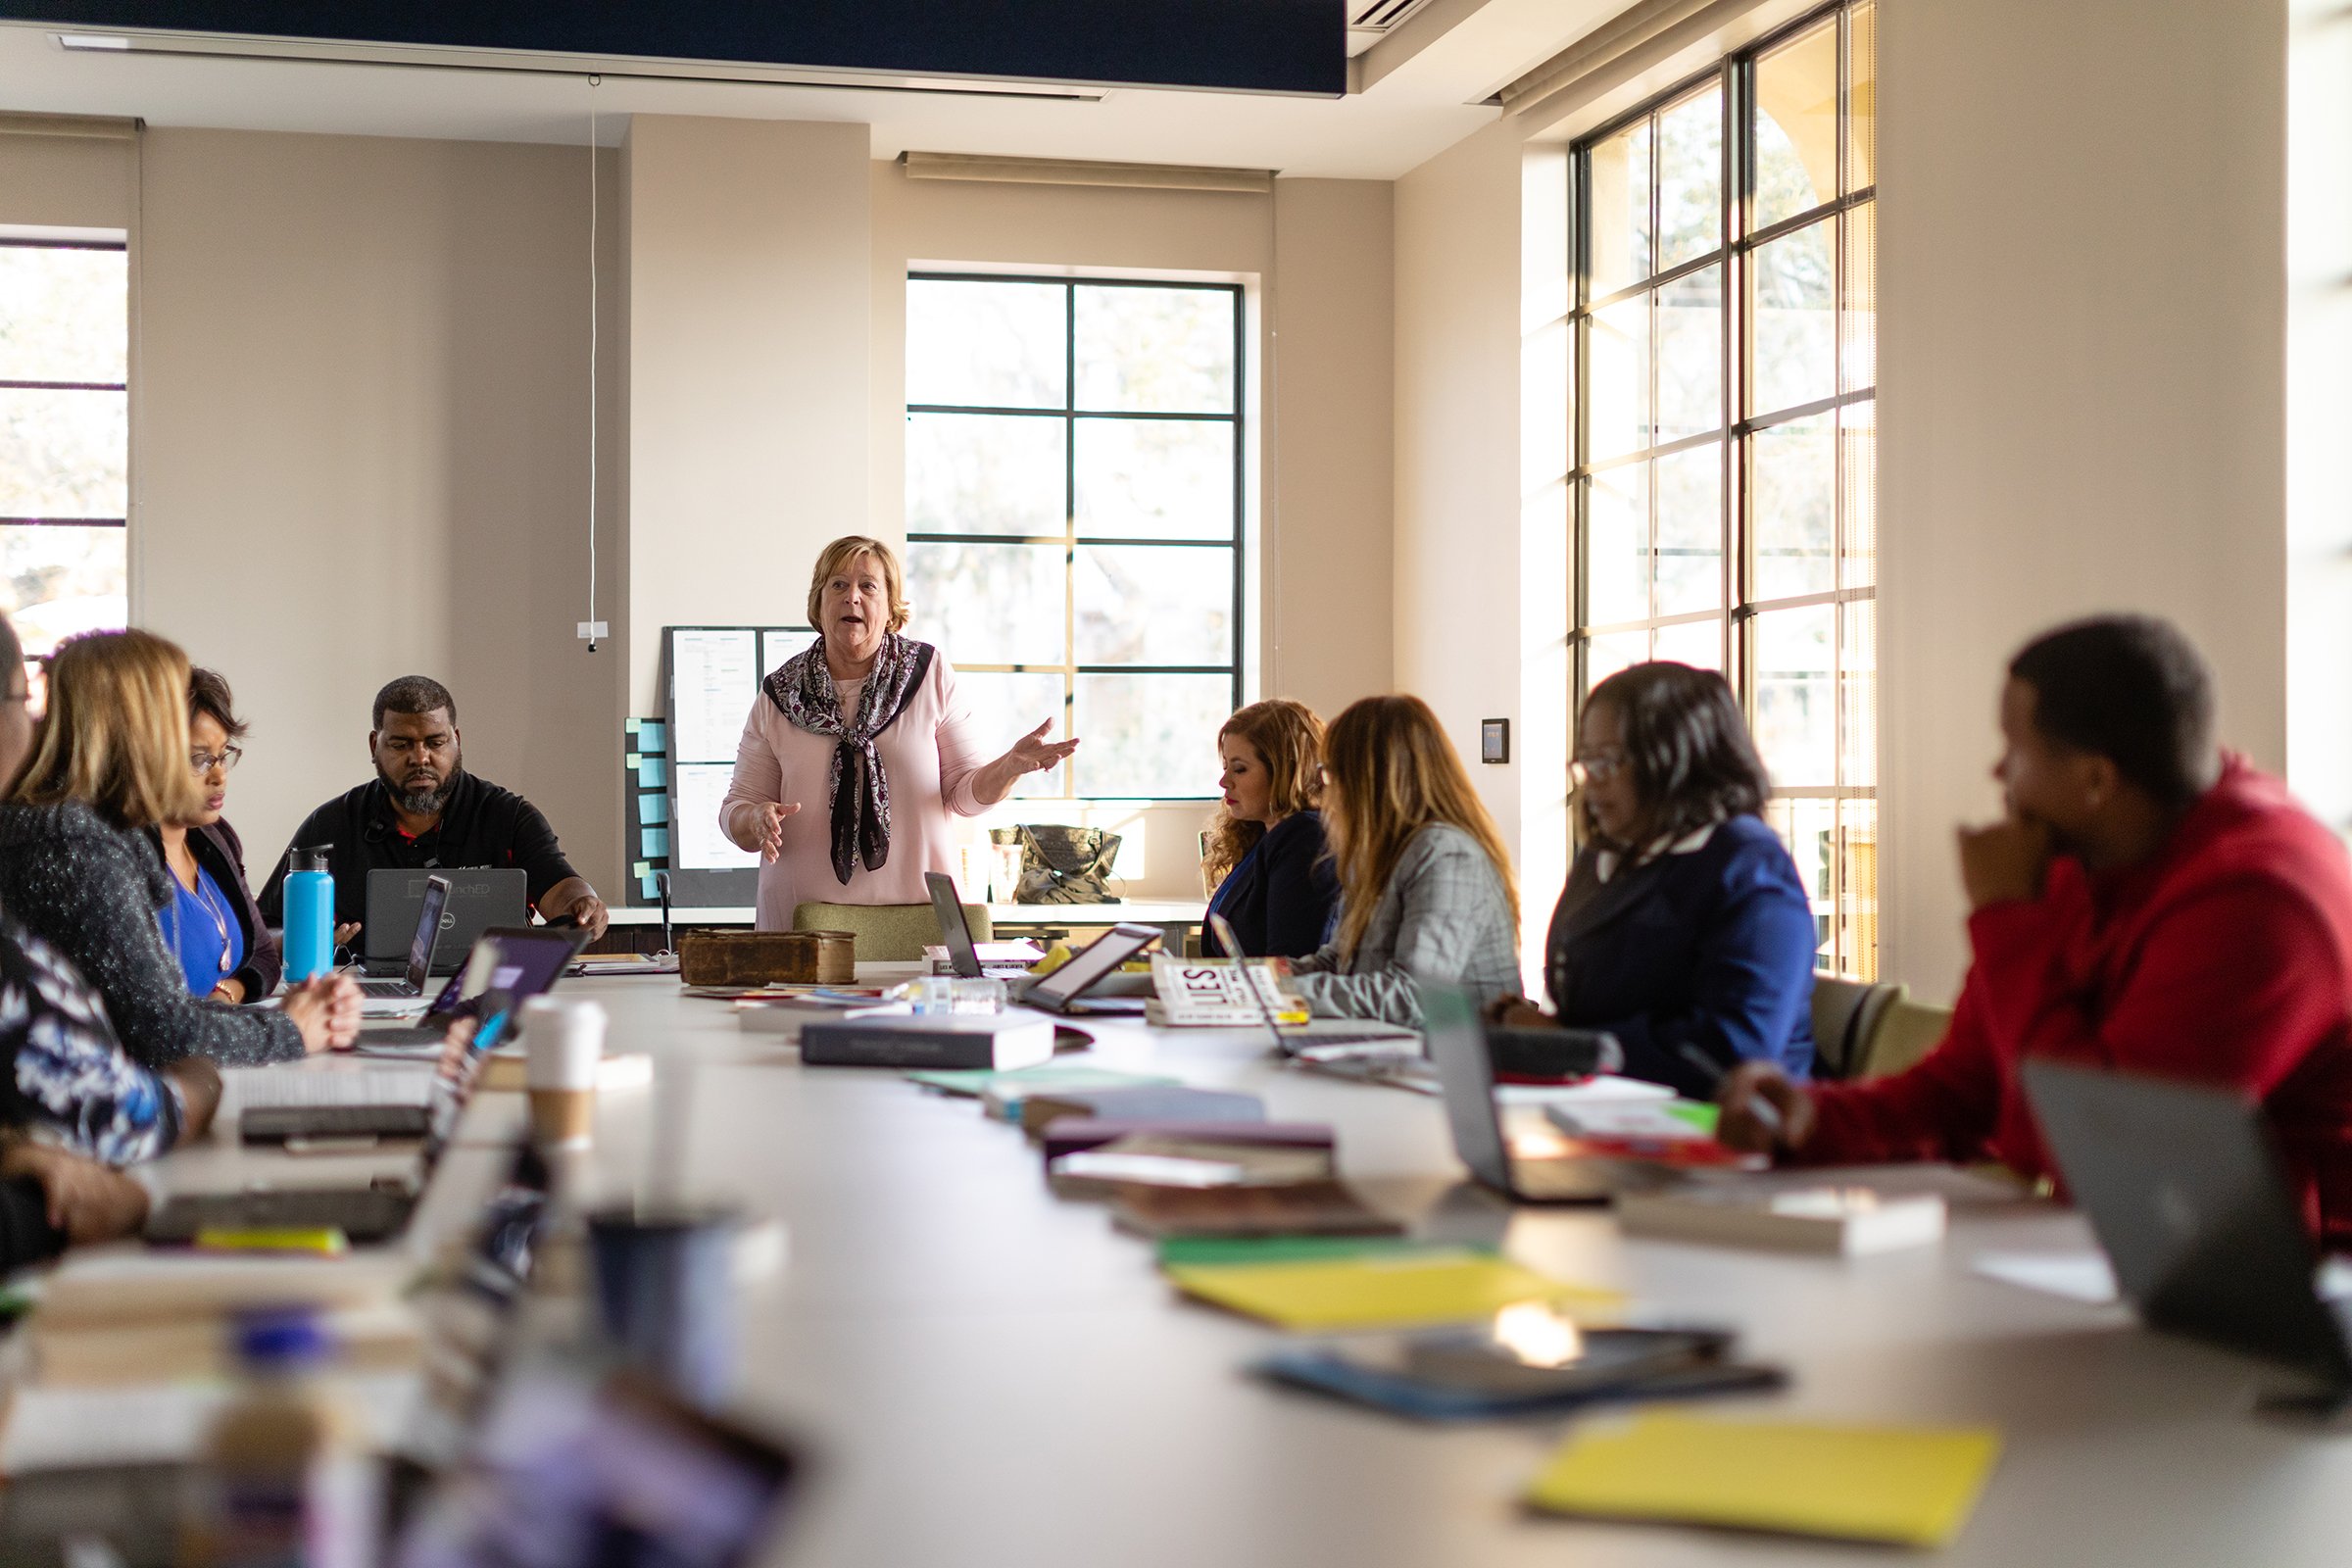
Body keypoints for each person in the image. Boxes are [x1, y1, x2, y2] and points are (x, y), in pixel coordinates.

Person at [1716, 615, 2352, 1247]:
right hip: (2162, 1259)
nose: (1998, 774)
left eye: (2014, 750)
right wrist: (1811, 1120)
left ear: (2095, 780)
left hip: (2305, 1296)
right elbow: (1967, 1090)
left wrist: (2005, 921)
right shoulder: (2084, 858)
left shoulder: (2262, 900)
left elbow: (2108, 1154)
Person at [0, 630, 358, 1066]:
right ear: (135, 729)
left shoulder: (87, 829)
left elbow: (157, 1014)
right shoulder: (73, 840)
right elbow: (163, 1033)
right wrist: (293, 1028)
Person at [0, 611, 224, 1266]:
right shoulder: (72, 841)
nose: (39, 722)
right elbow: (130, 1113)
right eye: (27, 699)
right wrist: (201, 1086)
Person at [720, 535, 1081, 931]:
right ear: (818, 603)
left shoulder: (930, 675)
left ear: (890, 607)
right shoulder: (779, 694)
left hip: (916, 926)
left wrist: (1008, 767)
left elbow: (964, 795)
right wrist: (753, 819)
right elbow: (735, 810)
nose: (851, 597)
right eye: (837, 585)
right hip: (801, 927)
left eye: (868, 586)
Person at [1494, 663, 1815, 1097]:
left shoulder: (1748, 869)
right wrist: (1534, 1029)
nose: (1591, 782)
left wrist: (1564, 1043)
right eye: (1586, 761)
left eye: (1607, 761)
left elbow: (1734, 1050)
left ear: (1678, 760)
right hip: (1614, 1108)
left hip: (1730, 1129)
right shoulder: (1608, 856)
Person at [260, 676, 609, 948]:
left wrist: (582, 905)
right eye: (401, 744)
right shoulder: (332, 824)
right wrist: (305, 942)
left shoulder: (508, 816)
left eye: (435, 742)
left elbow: (561, 890)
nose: (421, 758)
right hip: (364, 996)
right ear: (374, 746)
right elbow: (265, 930)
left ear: (456, 741)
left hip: (488, 992)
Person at [1282, 695, 1521, 1028]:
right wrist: (1252, 981)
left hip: (1457, 1065)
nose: (1327, 788)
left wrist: (1278, 993)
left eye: (1329, 771)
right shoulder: (1378, 852)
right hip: (1393, 1050)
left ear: (1367, 778)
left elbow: (1416, 995)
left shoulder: (1445, 854)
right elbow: (1338, 961)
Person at [146, 667, 280, 1004]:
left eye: (222, 755)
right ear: (147, 757)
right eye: (199, 759)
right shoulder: (122, 858)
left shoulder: (215, 837)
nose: (220, 776)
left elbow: (263, 955)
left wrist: (226, 994)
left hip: (225, 1042)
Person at [1200, 699, 1339, 959]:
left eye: (1239, 769)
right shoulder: (1261, 834)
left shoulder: (1304, 837)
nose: (1224, 781)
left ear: (1285, 770)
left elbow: (1289, 959)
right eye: (1226, 766)